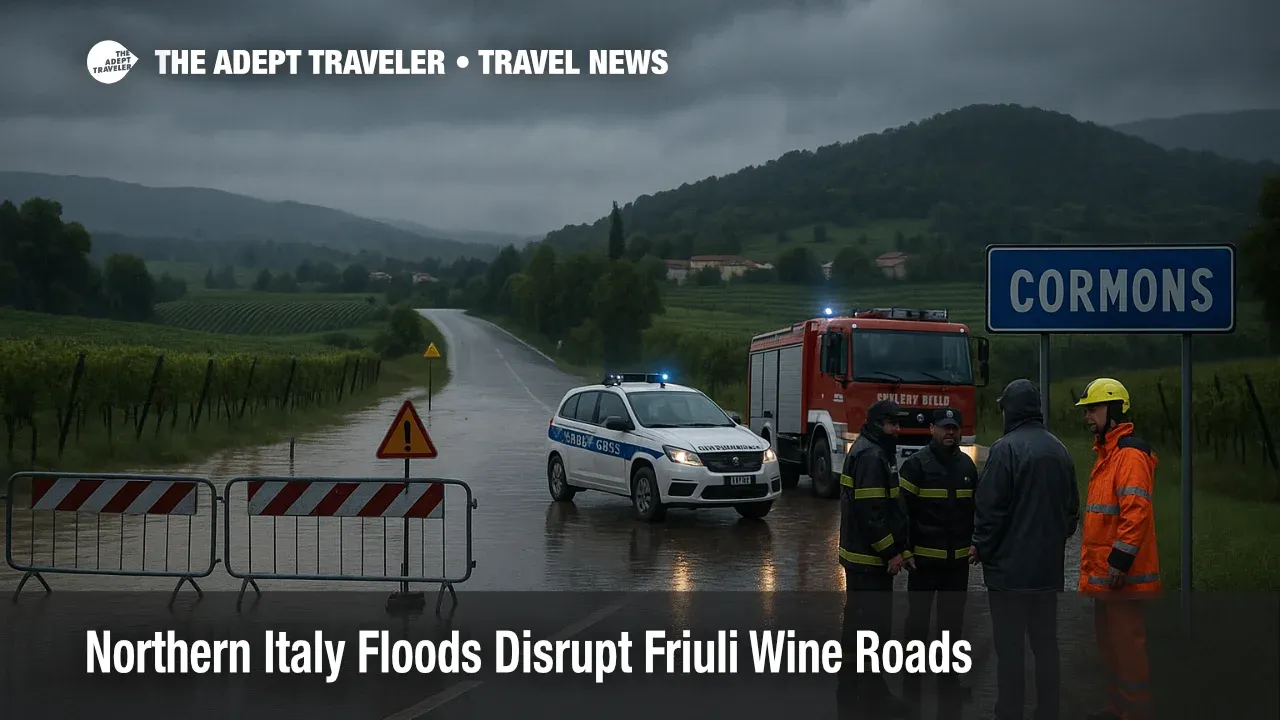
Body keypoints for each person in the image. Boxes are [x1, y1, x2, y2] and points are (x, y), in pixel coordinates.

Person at [971, 379, 1080, 720]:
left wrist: (981, 548)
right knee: (1047, 648)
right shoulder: (1060, 449)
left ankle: (1009, 713)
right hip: (1047, 575)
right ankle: (1048, 711)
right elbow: (1071, 513)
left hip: (1009, 577)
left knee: (1011, 652)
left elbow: (990, 510)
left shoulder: (1004, 450)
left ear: (1012, 410)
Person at [1075, 378, 1160, 720]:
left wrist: (1120, 561)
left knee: (1127, 649)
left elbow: (1135, 511)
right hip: (1106, 576)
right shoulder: (1108, 454)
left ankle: (1136, 713)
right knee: (1110, 648)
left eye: (1092, 410)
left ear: (1113, 410)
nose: (1087, 418)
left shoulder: (1129, 455)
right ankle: (1116, 709)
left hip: (1122, 575)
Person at [898, 407, 979, 698]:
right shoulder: (916, 465)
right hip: (923, 562)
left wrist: (977, 543)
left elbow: (976, 511)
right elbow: (902, 512)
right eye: (945, 428)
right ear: (932, 428)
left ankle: (949, 684)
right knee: (918, 622)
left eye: (954, 428)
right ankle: (912, 685)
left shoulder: (967, 468)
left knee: (951, 625)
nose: (950, 433)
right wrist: (904, 550)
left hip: (957, 563)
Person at [838, 399, 911, 718]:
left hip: (864, 559)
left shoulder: (874, 449)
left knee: (860, 627)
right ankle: (869, 694)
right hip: (868, 562)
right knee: (872, 629)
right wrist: (891, 552)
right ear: (878, 423)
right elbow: (871, 513)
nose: (898, 429)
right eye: (893, 424)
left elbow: (889, 508)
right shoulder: (871, 455)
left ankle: (854, 691)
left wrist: (901, 547)